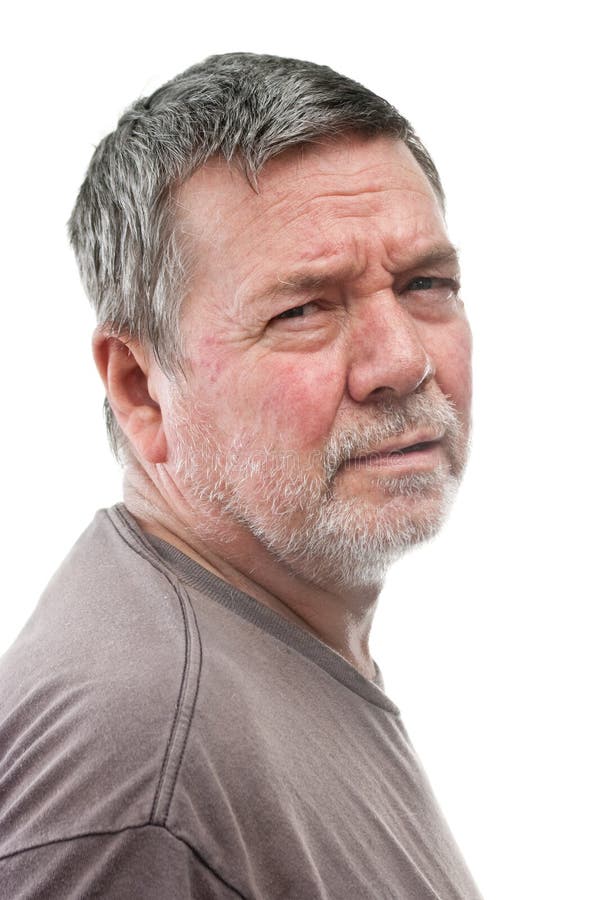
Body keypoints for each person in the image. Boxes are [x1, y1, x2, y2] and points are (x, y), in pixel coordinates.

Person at [0, 53, 482, 898]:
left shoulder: (264, 642)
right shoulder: (141, 762)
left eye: (425, 284)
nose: (401, 361)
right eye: (303, 309)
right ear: (140, 387)